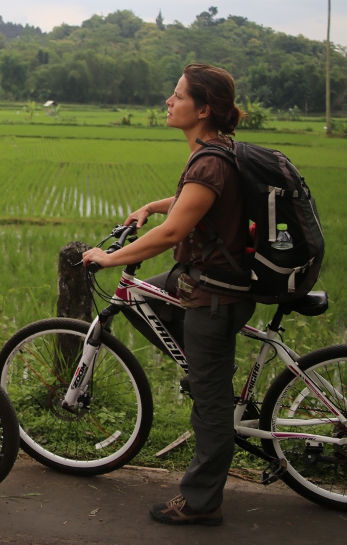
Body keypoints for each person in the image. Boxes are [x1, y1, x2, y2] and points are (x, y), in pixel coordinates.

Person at [82, 63, 253, 527]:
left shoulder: (210, 160)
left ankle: (201, 502)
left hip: (211, 295)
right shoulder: (214, 153)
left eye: (177, 96)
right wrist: (149, 206)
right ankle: (203, 368)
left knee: (211, 405)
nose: (168, 102)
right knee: (143, 296)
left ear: (204, 109)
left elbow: (175, 230)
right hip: (194, 283)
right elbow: (190, 204)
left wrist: (108, 258)